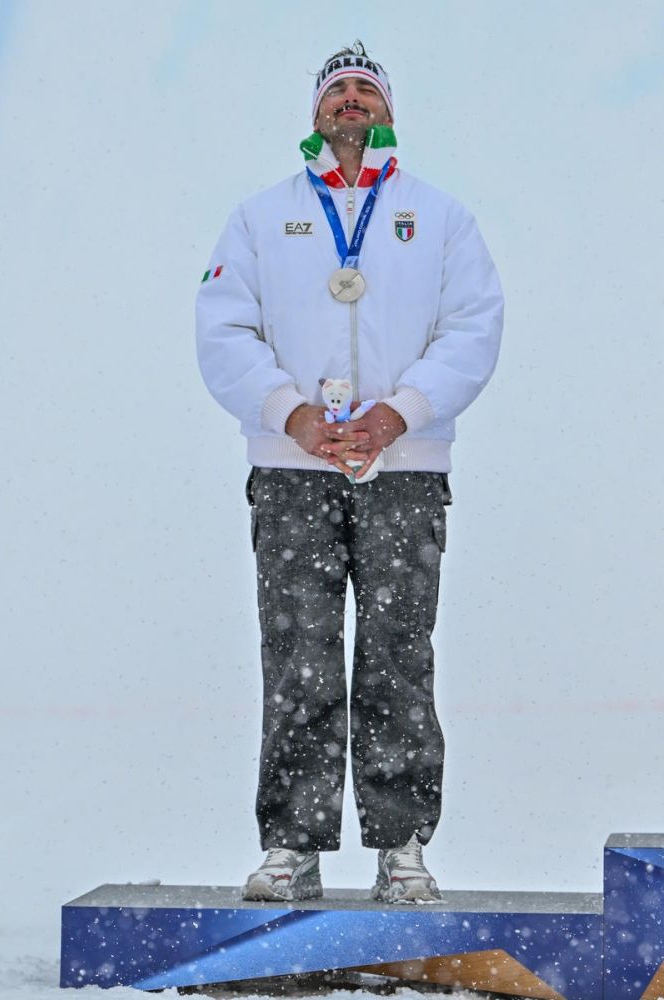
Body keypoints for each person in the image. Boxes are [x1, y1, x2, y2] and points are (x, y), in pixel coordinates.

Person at [196, 41, 504, 903]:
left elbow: (473, 326)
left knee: (397, 654)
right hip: (292, 467)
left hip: (405, 466)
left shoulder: (441, 217)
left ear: (389, 109)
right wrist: (288, 412)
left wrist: (400, 411)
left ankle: (402, 846)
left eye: (367, 88)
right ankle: (291, 846)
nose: (352, 100)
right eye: (338, 90)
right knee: (299, 652)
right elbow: (223, 328)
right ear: (316, 114)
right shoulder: (260, 218)